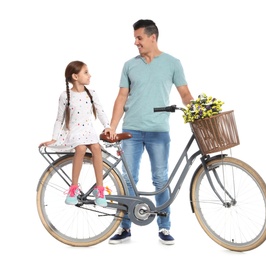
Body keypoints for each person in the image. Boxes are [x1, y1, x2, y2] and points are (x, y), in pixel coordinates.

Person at [108, 19, 193, 245]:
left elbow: (184, 93)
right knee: (128, 179)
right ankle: (124, 227)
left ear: (152, 37)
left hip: (158, 131)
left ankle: (164, 228)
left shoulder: (173, 63)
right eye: (135, 38)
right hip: (131, 131)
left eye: (139, 38)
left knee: (161, 179)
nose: (135, 42)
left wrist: (196, 110)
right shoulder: (129, 65)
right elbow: (121, 97)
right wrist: (112, 126)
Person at [39, 60, 115, 207]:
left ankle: (100, 189)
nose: (89, 75)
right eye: (86, 72)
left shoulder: (91, 93)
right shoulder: (65, 96)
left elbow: (100, 111)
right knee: (80, 148)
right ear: (75, 76)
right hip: (74, 131)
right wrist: (54, 138)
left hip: (88, 130)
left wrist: (107, 126)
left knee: (96, 148)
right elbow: (59, 119)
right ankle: (73, 188)